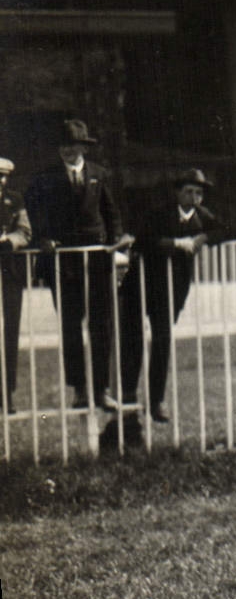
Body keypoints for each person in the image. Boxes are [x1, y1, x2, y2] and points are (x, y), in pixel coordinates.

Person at [24, 118, 132, 410]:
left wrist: (117, 238)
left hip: (97, 259)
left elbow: (112, 213)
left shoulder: (99, 174)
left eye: (73, 146)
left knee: (101, 324)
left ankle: (100, 389)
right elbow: (34, 213)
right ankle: (80, 389)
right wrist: (44, 237)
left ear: (84, 147)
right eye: (63, 146)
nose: (67, 151)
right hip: (64, 260)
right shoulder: (44, 179)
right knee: (71, 325)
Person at [119, 168, 225, 423]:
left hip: (171, 290)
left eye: (198, 193)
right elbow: (143, 240)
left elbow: (228, 229)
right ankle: (129, 396)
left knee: (162, 340)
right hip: (141, 285)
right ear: (177, 192)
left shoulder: (201, 216)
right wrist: (176, 244)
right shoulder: (160, 213)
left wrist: (203, 237)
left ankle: (156, 401)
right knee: (132, 340)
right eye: (188, 191)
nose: (193, 197)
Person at [0, 157, 31, 412]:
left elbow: (24, 231)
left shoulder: (15, 201)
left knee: (9, 333)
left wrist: (7, 242)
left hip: (8, 273)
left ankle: (6, 393)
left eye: (2, 176)